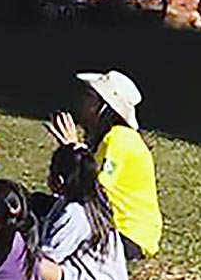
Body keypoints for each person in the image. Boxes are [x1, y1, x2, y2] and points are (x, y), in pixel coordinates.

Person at [45, 70, 161, 261]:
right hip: (113, 229)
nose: (82, 102)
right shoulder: (107, 139)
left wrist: (73, 151)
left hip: (127, 237)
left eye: (89, 97)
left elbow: (92, 193)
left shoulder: (119, 139)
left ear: (105, 108)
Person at [38, 145, 128, 280]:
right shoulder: (96, 198)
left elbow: (49, 257)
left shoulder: (75, 213)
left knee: (26, 261)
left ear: (59, 180)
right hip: (110, 278)